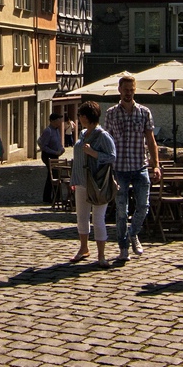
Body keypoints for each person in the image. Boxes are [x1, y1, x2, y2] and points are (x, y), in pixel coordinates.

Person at [102, 74, 161, 263]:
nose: (128, 93)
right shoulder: (111, 113)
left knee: (143, 206)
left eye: (131, 90)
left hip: (139, 166)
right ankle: (123, 247)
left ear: (135, 90)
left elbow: (151, 140)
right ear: (119, 90)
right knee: (121, 210)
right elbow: (107, 141)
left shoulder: (144, 112)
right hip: (119, 168)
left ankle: (133, 233)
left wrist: (156, 164)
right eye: (125, 90)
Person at [69, 101, 115, 265]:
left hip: (98, 183)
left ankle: (101, 255)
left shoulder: (102, 135)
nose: (79, 118)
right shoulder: (83, 134)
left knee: (98, 219)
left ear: (86, 117)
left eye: (80, 115)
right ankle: (84, 248)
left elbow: (112, 156)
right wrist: (73, 179)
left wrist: (94, 153)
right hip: (81, 182)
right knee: (81, 217)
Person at [39, 110, 65, 203]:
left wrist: (61, 148)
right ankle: (51, 197)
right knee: (53, 174)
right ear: (53, 121)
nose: (60, 121)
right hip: (48, 156)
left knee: (52, 175)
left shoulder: (57, 130)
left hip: (55, 155)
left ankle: (54, 197)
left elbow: (58, 142)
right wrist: (54, 152)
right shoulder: (48, 131)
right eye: (59, 120)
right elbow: (43, 146)